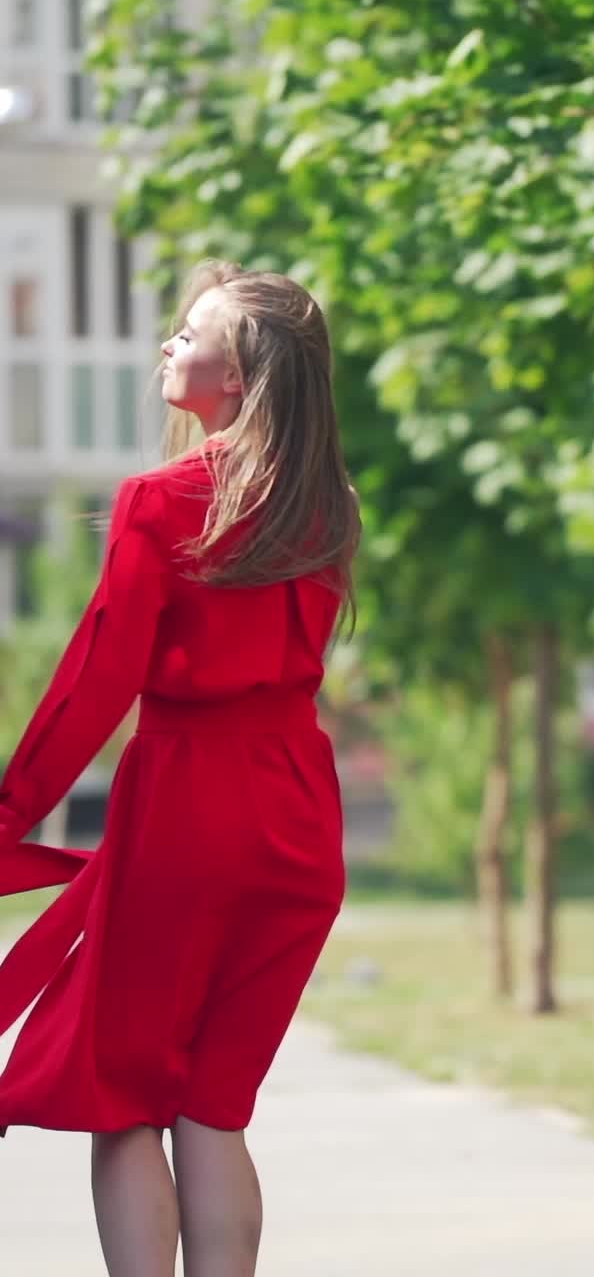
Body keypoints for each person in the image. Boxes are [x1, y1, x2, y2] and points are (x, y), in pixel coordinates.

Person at [0, 259, 362, 1276]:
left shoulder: (161, 500)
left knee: (120, 1098)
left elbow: (94, 680)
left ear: (238, 378)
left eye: (188, 334)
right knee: (213, 1108)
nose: (169, 344)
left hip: (188, 806)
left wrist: (10, 808)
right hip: (297, 813)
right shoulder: (325, 504)